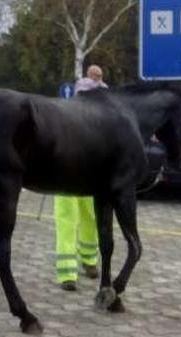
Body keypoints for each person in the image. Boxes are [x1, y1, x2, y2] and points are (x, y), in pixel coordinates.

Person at [54, 64, 107, 291]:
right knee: (76, 218)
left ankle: (87, 262)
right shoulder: (98, 102)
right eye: (96, 75)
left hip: (78, 173)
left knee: (84, 217)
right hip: (74, 172)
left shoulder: (84, 103)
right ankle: (71, 270)